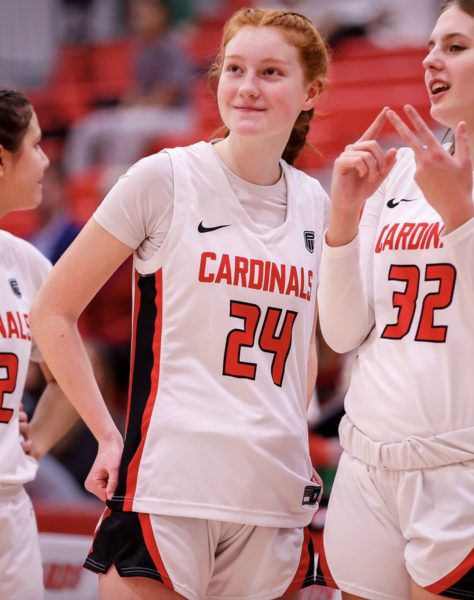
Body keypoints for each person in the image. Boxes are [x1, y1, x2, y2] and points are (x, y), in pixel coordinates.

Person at [30, 7, 330, 599]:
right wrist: (108, 436)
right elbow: (52, 310)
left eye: (271, 72)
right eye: (235, 68)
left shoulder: (316, 204)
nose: (247, 87)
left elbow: (305, 352)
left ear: (311, 91)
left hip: (273, 493)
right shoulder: (164, 178)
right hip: (171, 485)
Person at [316, 1, 474, 599]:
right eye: (432, 45)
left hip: (459, 470)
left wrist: (460, 215)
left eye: (456, 47)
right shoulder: (397, 174)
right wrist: (344, 219)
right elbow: (342, 332)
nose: (431, 58)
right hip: (367, 466)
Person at [0, 88, 78, 600]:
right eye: (35, 144)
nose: (47, 158)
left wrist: (34, 442)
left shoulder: (27, 263)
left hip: (9, 507)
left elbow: (72, 380)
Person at [63, 0, 194, 176]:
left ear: (161, 14)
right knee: (87, 127)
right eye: (137, 13)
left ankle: (117, 181)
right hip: (145, 113)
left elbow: (166, 97)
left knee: (127, 127)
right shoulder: (141, 50)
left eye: (146, 12)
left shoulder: (173, 47)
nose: (139, 17)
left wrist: (133, 109)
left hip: (177, 116)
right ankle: (78, 184)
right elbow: (135, 92)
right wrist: (126, 108)